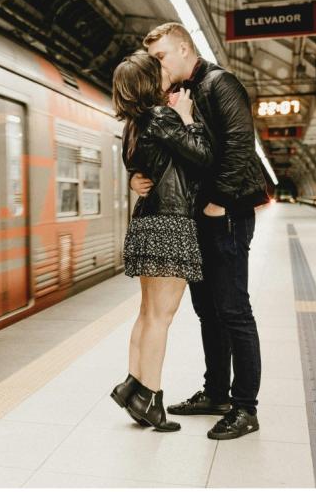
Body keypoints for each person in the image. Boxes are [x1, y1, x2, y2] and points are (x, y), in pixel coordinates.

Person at [133, 23, 269, 440]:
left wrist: (220, 201)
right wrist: (138, 176)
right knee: (208, 310)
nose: (157, 66)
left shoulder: (220, 84)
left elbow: (239, 145)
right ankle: (216, 393)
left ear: (183, 48)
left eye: (160, 57)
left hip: (226, 214)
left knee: (234, 311)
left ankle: (245, 408)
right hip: (200, 217)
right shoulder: (182, 93)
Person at [109, 51, 213, 432]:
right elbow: (203, 156)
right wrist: (187, 117)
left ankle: (133, 384)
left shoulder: (133, 126)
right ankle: (150, 397)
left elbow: (140, 168)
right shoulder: (161, 117)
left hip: (146, 223)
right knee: (160, 317)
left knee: (147, 312)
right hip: (170, 223)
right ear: (149, 83)